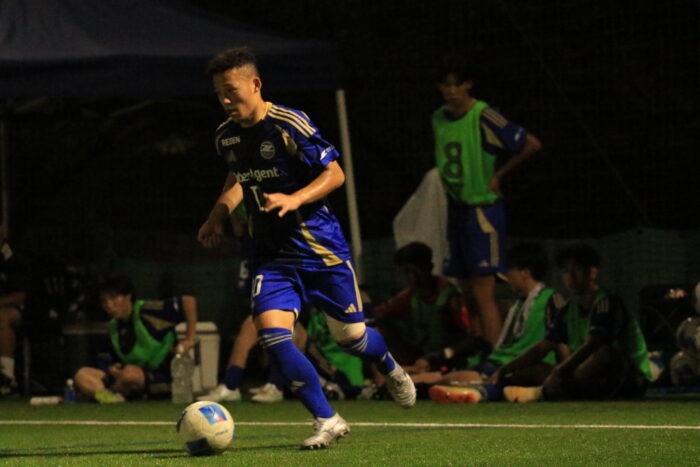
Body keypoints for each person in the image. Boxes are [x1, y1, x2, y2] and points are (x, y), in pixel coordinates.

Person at [197, 47, 415, 450]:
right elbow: (239, 176)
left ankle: (389, 366)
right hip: (271, 256)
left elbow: (335, 173)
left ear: (255, 84)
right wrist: (217, 215)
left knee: (352, 338)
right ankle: (327, 418)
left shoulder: (288, 123)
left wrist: (295, 198)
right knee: (273, 336)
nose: (225, 100)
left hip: (320, 250)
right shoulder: (225, 135)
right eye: (219, 93)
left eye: (231, 90)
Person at [433, 54, 543, 347]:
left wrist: (499, 175)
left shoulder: (483, 115)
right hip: (456, 209)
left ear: (468, 85)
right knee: (466, 290)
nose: (450, 91)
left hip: (481, 209)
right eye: (445, 85)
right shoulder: (438, 118)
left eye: (456, 85)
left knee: (484, 290)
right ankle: (478, 348)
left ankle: (495, 357)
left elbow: (531, 144)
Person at [503, 244, 653, 402]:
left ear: (592, 273)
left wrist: (559, 372)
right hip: (585, 372)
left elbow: (593, 345)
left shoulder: (607, 302)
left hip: (630, 378)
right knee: (531, 370)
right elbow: (544, 345)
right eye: (565, 271)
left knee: (604, 353)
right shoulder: (569, 308)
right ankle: (561, 389)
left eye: (577, 270)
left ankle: (543, 393)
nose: (570, 276)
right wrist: (505, 369)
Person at [421, 243, 566, 403]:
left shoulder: (551, 299)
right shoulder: (518, 304)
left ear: (525, 272)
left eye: (510, 271)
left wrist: (564, 371)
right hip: (502, 362)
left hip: (521, 365)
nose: (507, 277)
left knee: (450, 379)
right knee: (444, 377)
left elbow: (558, 341)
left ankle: (477, 392)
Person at [74, 275, 198, 402]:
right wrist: (115, 368)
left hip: (159, 376)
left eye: (114, 298)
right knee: (82, 374)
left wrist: (190, 338)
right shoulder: (113, 326)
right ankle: (110, 398)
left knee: (130, 374)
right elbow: (119, 360)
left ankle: (111, 393)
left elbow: (188, 301)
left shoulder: (148, 312)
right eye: (104, 301)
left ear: (128, 296)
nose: (108, 305)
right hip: (126, 377)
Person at [373, 242, 473, 371]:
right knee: (378, 331)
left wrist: (442, 355)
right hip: (422, 356)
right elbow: (382, 313)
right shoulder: (410, 295)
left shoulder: (450, 295)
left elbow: (469, 339)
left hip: (449, 357)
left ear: (428, 267)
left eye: (412, 271)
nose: (409, 277)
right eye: (404, 272)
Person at [0, 224, 27, 396]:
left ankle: (7, 378)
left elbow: (21, 296)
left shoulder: (15, 258)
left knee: (3, 316)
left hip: (28, 313)